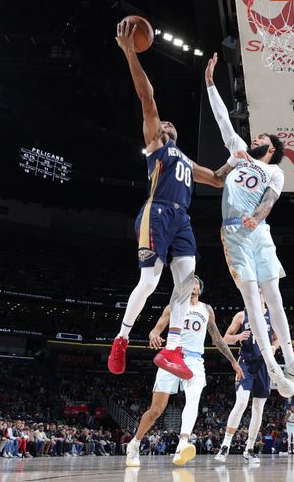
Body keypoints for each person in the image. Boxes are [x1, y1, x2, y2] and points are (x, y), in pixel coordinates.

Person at [107, 20, 239, 378]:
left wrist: (239, 159)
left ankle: (173, 350)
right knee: (149, 283)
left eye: (170, 123)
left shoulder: (185, 159)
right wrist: (130, 53)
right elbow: (147, 98)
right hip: (157, 212)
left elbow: (215, 178)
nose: (167, 122)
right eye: (163, 122)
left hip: (182, 220)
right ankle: (121, 338)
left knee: (187, 281)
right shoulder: (156, 145)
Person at [204, 53, 294, 397]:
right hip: (234, 234)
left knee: (275, 298)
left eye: (261, 139)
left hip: (260, 233)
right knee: (252, 299)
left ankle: (291, 363)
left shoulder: (275, 171)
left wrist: (259, 216)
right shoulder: (238, 152)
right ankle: (271, 365)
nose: (254, 139)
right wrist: (210, 83)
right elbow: (223, 120)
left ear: (271, 149)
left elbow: (269, 200)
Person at [124, 276, 244, 468]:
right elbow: (156, 329)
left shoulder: (207, 309)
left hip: (195, 360)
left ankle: (183, 443)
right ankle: (134, 444)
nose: (193, 284)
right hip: (172, 356)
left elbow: (218, 339)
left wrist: (233, 362)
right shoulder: (174, 305)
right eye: (190, 281)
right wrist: (154, 335)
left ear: (200, 289)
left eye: (196, 282)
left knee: (193, 397)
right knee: (156, 410)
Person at [215, 301, 280, 465]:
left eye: (260, 290)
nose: (257, 293)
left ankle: (249, 449)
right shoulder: (242, 315)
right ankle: (225, 445)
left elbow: (277, 339)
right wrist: (237, 337)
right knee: (242, 402)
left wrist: (274, 347)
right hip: (245, 363)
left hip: (264, 365)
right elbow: (225, 338)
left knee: (258, 408)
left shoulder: (272, 316)